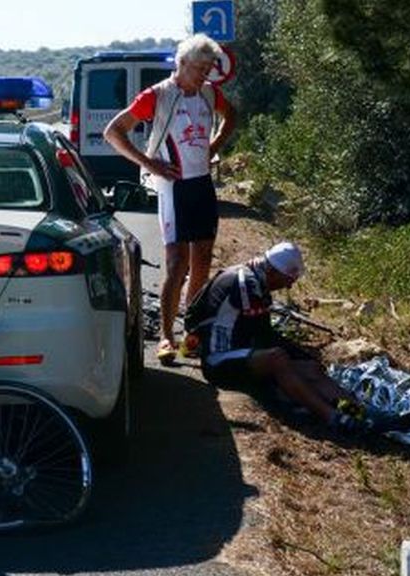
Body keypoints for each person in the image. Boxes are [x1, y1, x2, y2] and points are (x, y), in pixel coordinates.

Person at [103, 34, 236, 365]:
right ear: (182, 63)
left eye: (209, 67)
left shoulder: (208, 92)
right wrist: (149, 163)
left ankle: (192, 330)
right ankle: (166, 336)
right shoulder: (158, 95)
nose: (205, 73)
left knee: (203, 259)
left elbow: (231, 116)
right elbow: (113, 132)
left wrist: (214, 147)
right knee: (177, 263)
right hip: (172, 187)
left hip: (202, 182)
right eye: (200, 67)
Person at [192, 242, 368, 433]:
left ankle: (358, 412)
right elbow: (263, 335)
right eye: (288, 280)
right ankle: (332, 416)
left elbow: (264, 333)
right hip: (218, 360)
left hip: (240, 353)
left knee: (311, 369)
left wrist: (305, 358)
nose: (290, 285)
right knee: (278, 358)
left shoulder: (256, 276)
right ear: (274, 271)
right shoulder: (246, 284)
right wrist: (296, 356)